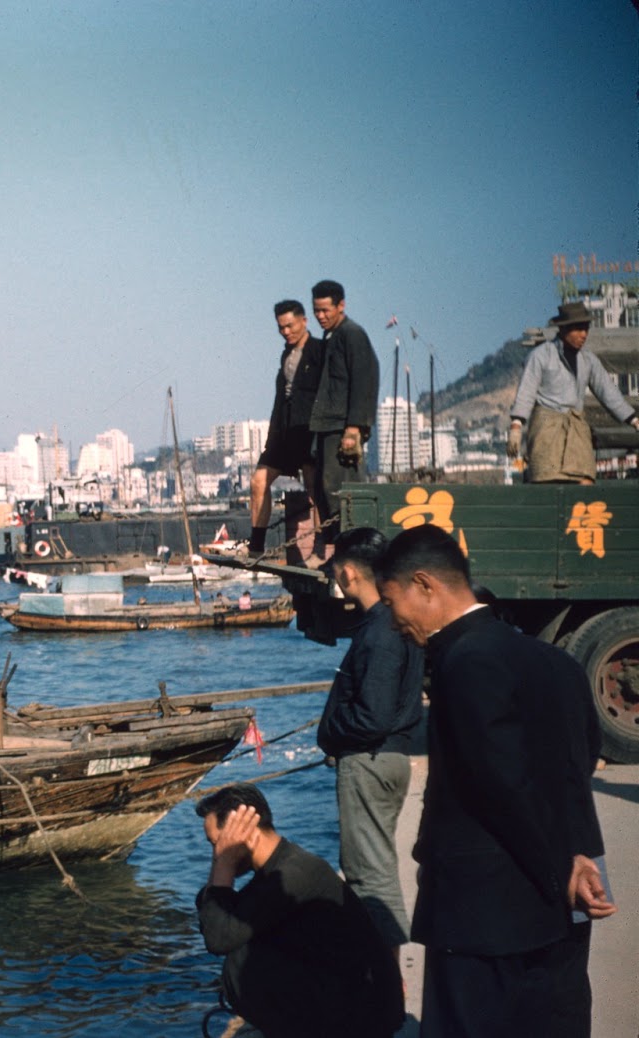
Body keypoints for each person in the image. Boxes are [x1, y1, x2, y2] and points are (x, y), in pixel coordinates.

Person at [373, 524, 615, 1035]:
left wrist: (559, 868)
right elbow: (579, 768)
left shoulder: (464, 661)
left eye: (392, 603)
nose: (393, 621)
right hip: (565, 903)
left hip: (484, 916)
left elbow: (502, 784)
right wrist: (579, 859)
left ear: (424, 584)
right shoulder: (558, 662)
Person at [195, 783, 404, 1038]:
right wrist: (221, 864)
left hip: (364, 1016)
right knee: (243, 937)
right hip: (353, 1000)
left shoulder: (292, 874)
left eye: (218, 844)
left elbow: (218, 938)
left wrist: (225, 863)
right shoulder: (279, 866)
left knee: (238, 964)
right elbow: (215, 914)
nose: (216, 854)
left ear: (246, 832)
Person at [316, 527, 424, 954]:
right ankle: (385, 973)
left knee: (368, 875)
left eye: (334, 570)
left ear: (348, 573)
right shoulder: (394, 623)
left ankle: (386, 978)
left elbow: (372, 716)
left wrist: (331, 733)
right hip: (386, 757)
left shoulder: (379, 631)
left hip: (369, 760)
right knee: (374, 866)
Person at [508, 299, 639, 484]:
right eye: (578, 329)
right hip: (547, 431)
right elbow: (526, 392)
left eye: (586, 329)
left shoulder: (588, 360)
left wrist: (634, 420)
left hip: (577, 430)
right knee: (548, 480)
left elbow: (608, 391)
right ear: (563, 329)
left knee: (585, 480)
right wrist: (516, 427)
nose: (583, 334)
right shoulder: (541, 355)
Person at [248, 300, 324, 556]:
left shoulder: (319, 351)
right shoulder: (286, 355)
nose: (285, 332)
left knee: (315, 487)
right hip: (283, 434)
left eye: (290, 326)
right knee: (258, 481)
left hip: (310, 432)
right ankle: (256, 546)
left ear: (304, 321)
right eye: (281, 327)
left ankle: (320, 550)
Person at [307, 280, 379, 544]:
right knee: (327, 490)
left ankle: (354, 550)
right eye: (316, 310)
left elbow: (364, 379)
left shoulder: (352, 334)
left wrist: (354, 428)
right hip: (327, 426)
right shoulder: (332, 336)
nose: (320, 316)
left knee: (343, 493)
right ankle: (340, 550)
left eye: (325, 310)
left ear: (341, 306)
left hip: (341, 428)